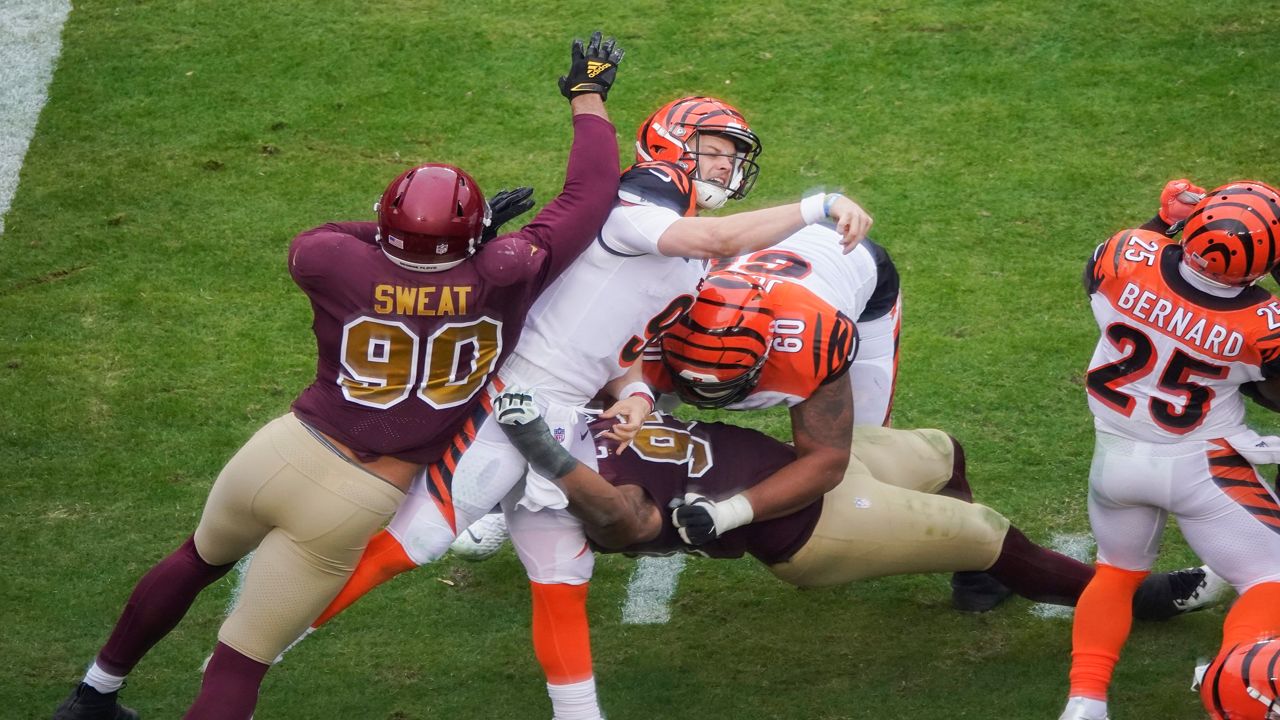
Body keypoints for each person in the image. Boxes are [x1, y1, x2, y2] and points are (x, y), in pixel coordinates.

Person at [50, 30, 626, 720]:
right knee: (239, 662)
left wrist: (421, 239)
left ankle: (94, 692)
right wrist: (585, 92)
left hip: (283, 448)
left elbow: (339, 236)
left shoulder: (331, 262)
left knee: (194, 560)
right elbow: (589, 195)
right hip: (358, 493)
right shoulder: (503, 271)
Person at [308, 95, 875, 720]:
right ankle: (259, 648)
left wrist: (634, 394)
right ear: (668, 144)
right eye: (713, 151)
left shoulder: (675, 238)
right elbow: (714, 234)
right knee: (413, 541)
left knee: (563, 578)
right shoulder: (636, 213)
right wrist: (818, 205)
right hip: (514, 399)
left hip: (565, 411)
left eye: (732, 157)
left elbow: (619, 334)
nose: (724, 167)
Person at [489, 391, 1218, 619]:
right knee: (989, 532)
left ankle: (979, 581)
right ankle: (1132, 601)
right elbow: (627, 523)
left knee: (941, 449)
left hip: (812, 469)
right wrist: (545, 453)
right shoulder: (565, 484)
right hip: (817, 526)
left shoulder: (572, 402)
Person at [1059, 179, 1280, 720]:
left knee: (1115, 571)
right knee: (1272, 577)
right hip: (1202, 463)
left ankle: (1084, 702)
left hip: (1115, 459)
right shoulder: (1262, 323)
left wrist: (1165, 221)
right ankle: (1236, 687)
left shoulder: (1124, 254)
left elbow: (1109, 269)